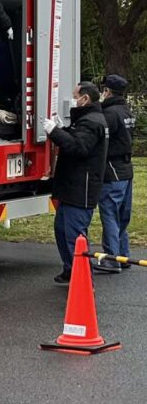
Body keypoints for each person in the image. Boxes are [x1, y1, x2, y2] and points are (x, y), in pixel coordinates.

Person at [45, 82, 109, 283]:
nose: (73, 99)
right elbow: (76, 138)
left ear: (85, 98)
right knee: (62, 230)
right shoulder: (87, 120)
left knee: (75, 236)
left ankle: (83, 279)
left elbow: (78, 147)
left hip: (81, 188)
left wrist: (55, 132)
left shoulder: (91, 122)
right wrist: (62, 129)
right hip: (72, 187)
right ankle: (70, 269)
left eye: (75, 96)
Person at [98, 74, 135, 271]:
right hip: (127, 168)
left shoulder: (110, 114)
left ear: (107, 91)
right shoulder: (126, 111)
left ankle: (111, 259)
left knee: (110, 213)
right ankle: (123, 255)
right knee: (122, 214)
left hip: (113, 169)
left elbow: (101, 140)